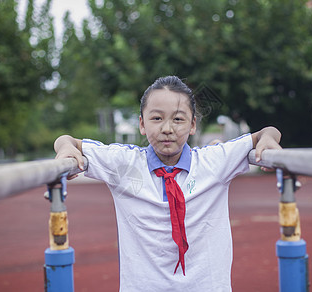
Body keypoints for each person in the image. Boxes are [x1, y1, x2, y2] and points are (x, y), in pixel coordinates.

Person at [54, 75, 282, 291]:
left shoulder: (213, 162)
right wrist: (65, 147)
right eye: (156, 118)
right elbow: (68, 140)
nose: (167, 129)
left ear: (192, 125)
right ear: (142, 125)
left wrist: (269, 139)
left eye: (178, 119)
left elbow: (266, 133)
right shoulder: (124, 164)